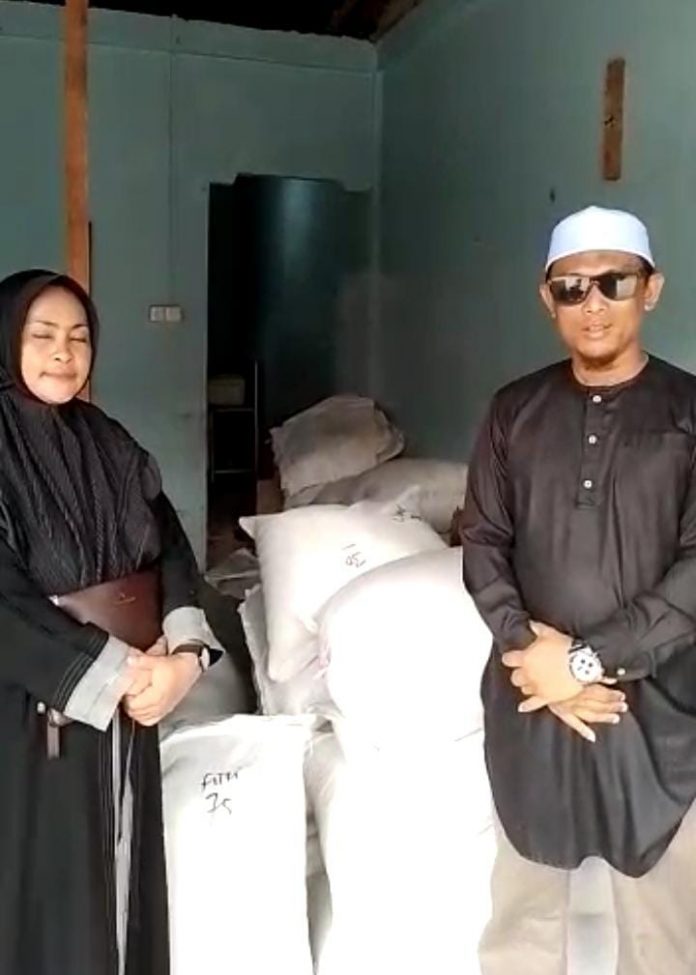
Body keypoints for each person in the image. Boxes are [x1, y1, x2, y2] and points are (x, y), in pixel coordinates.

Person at [460, 206, 696, 975]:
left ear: (650, 289)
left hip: (656, 707)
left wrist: (585, 661)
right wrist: (532, 655)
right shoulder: (513, 410)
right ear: (547, 299)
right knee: (522, 920)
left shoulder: (689, 411)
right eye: (571, 287)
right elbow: (483, 541)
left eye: (613, 282)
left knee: (662, 932)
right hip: (532, 702)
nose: (591, 303)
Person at [0, 268, 223, 975]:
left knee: (123, 886)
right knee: (46, 895)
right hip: (34, 711)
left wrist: (184, 658)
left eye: (78, 337)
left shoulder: (107, 439)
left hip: (134, 701)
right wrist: (116, 671)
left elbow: (170, 548)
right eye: (42, 335)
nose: (62, 353)